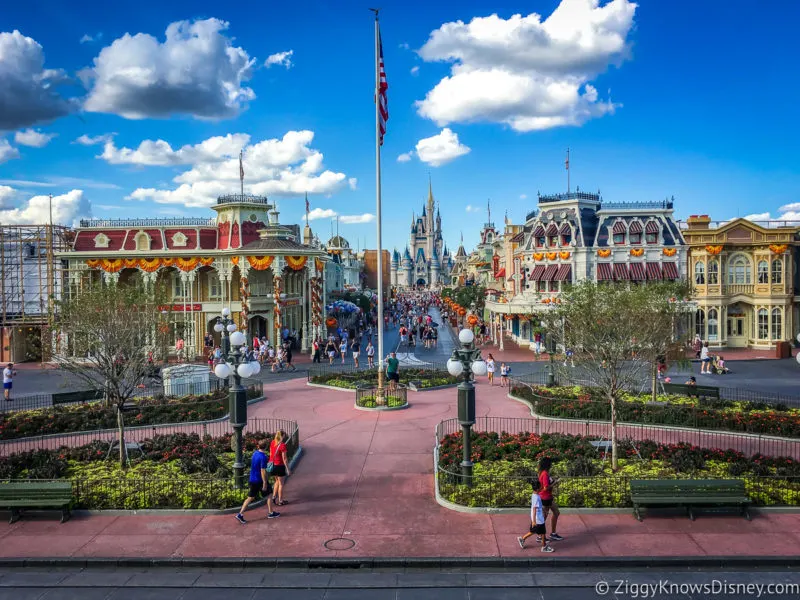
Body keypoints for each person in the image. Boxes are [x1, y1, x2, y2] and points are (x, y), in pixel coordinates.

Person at [235, 439, 279, 523]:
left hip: (252, 478)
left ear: (258, 446)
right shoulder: (263, 457)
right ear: (266, 447)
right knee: (269, 495)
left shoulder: (255, 453)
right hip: (260, 480)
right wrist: (265, 483)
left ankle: (240, 514)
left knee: (250, 497)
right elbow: (263, 471)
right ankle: (271, 513)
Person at [517, 479, 554, 552]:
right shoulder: (537, 497)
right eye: (540, 487)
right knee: (543, 532)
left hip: (536, 517)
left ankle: (522, 539)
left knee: (533, 530)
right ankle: (544, 547)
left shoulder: (534, 495)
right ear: (537, 489)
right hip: (538, 518)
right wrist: (534, 521)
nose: (541, 487)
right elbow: (534, 509)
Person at [538, 457, 563, 542]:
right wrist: (555, 483)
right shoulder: (544, 474)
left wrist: (553, 480)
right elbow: (545, 488)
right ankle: (540, 536)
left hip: (548, 497)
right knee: (543, 517)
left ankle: (553, 533)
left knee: (556, 512)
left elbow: (547, 483)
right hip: (545, 497)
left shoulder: (544, 473)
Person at [270, 430, 292, 506]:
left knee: (276, 482)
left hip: (273, 465)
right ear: (282, 436)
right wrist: (288, 469)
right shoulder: (282, 445)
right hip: (280, 466)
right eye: (284, 436)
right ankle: (280, 500)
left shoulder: (273, 442)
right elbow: (284, 458)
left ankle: (273, 497)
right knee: (281, 484)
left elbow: (271, 454)